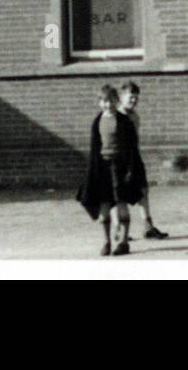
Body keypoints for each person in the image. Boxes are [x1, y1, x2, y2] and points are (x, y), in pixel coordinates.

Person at [75, 85, 145, 256]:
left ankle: (123, 242)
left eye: (111, 101)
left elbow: (131, 148)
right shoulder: (97, 122)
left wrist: (131, 169)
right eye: (104, 101)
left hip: (120, 167)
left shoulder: (124, 122)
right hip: (103, 167)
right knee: (104, 205)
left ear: (117, 101)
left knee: (121, 203)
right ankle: (106, 241)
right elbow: (94, 149)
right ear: (99, 102)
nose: (108, 105)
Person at [119, 81, 168, 239]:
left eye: (136, 98)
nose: (133, 100)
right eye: (130, 97)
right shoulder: (117, 116)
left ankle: (148, 226)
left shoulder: (135, 116)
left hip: (134, 156)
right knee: (120, 194)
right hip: (120, 159)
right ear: (121, 97)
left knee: (143, 190)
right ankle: (120, 229)